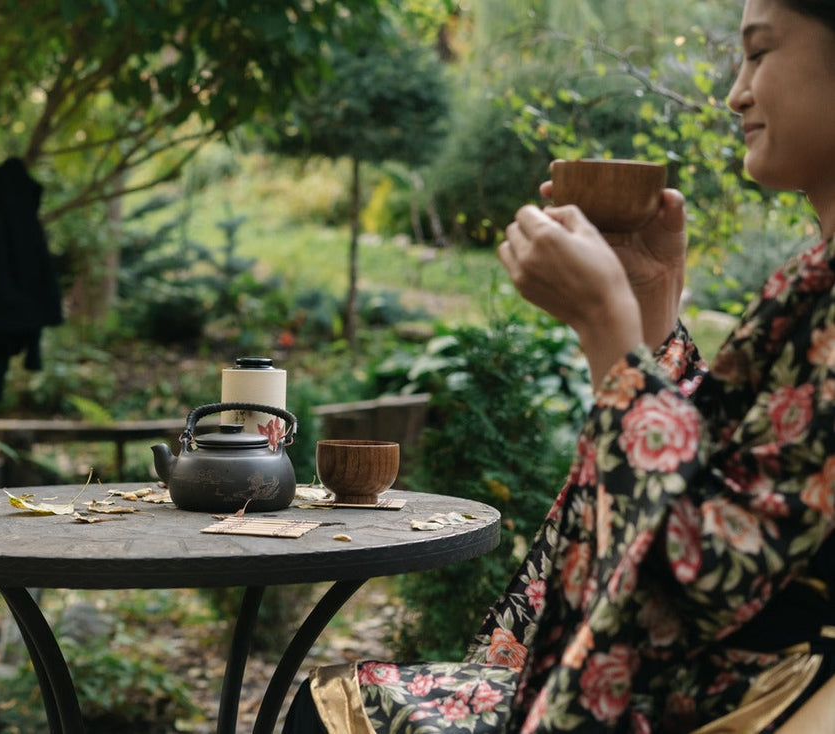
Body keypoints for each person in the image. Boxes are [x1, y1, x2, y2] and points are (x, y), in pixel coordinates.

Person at [283, 0, 835, 731]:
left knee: (329, 714)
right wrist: (651, 309)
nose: (736, 92)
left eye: (759, 53)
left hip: (742, 699)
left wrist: (606, 331)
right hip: (713, 679)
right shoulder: (815, 275)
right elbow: (744, 474)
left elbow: (706, 564)